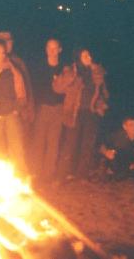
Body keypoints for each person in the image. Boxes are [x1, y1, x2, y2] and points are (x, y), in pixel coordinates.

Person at [57, 48, 109, 179]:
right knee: (71, 143)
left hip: (91, 111)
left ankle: (82, 174)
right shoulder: (71, 71)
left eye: (89, 55)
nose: (89, 57)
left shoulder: (96, 71)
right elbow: (59, 88)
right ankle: (63, 173)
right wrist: (71, 77)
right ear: (78, 57)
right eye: (85, 55)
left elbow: (104, 92)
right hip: (74, 111)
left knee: (88, 144)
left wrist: (101, 105)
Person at [0, 41, 27, 173]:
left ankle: (21, 177)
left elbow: (21, 91)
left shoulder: (11, 70)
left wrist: (16, 109)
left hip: (10, 113)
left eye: (3, 52)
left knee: (16, 148)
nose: (1, 54)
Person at [29, 39, 66, 183]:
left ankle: (48, 175)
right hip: (43, 108)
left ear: (60, 50)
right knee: (38, 142)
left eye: (55, 48)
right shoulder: (39, 67)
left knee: (53, 144)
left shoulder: (64, 68)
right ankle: (35, 173)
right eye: (49, 48)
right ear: (45, 49)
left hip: (58, 110)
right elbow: (34, 88)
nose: (52, 51)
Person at [0, 31, 35, 126]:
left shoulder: (17, 62)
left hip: (17, 111)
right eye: (5, 42)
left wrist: (29, 108)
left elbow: (26, 86)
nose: (9, 44)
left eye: (10, 41)